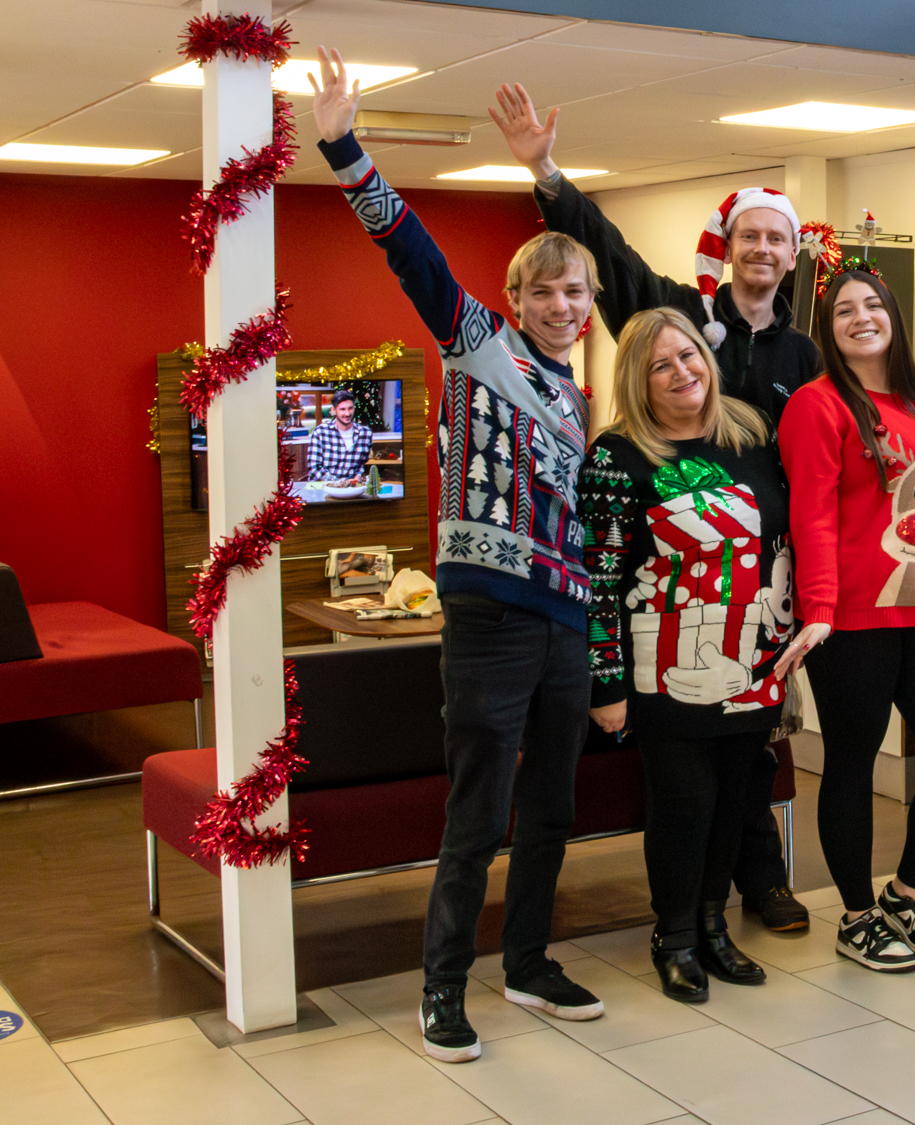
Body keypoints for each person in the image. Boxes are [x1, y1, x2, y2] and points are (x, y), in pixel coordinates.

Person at [310, 47, 604, 1062]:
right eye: (549, 292)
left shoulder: (579, 398)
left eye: (579, 294)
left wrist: (596, 636)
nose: (565, 306)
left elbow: (584, 528)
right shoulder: (476, 342)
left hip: (564, 619)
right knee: (477, 810)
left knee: (554, 807)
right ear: (518, 300)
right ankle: (444, 990)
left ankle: (528, 964)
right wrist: (346, 145)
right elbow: (410, 250)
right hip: (486, 616)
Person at [491, 83, 814, 934]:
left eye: (776, 239)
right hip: (674, 590)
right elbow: (613, 253)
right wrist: (547, 173)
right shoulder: (685, 318)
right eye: (749, 235)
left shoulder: (803, 350)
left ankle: (753, 886)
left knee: (751, 752)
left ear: (790, 257)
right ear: (729, 245)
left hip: (762, 585)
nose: (761, 250)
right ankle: (710, 908)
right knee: (695, 769)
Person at [773, 266, 915, 971]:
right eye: (843, 309)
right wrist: (816, 610)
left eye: (873, 304)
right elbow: (809, 515)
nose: (861, 317)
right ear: (828, 328)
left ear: (894, 318)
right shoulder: (817, 406)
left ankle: (907, 890)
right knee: (849, 764)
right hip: (849, 619)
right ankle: (854, 914)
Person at [580, 307, 792, 1003]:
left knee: (736, 798)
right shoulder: (616, 456)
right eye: (661, 364)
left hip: (747, 660)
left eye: (689, 355)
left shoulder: (752, 436)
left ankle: (714, 926)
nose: (682, 372)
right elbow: (599, 578)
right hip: (660, 664)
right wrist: (605, 684)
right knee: (684, 801)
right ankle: (673, 936)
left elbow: (778, 548)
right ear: (638, 381)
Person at [306, 389, 373, 485]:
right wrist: (340, 484)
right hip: (323, 489)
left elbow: (362, 464)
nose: (347, 413)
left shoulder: (365, 433)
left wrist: (358, 477)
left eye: (350, 408)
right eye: (342, 409)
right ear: (333, 411)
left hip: (351, 490)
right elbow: (314, 468)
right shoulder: (320, 432)